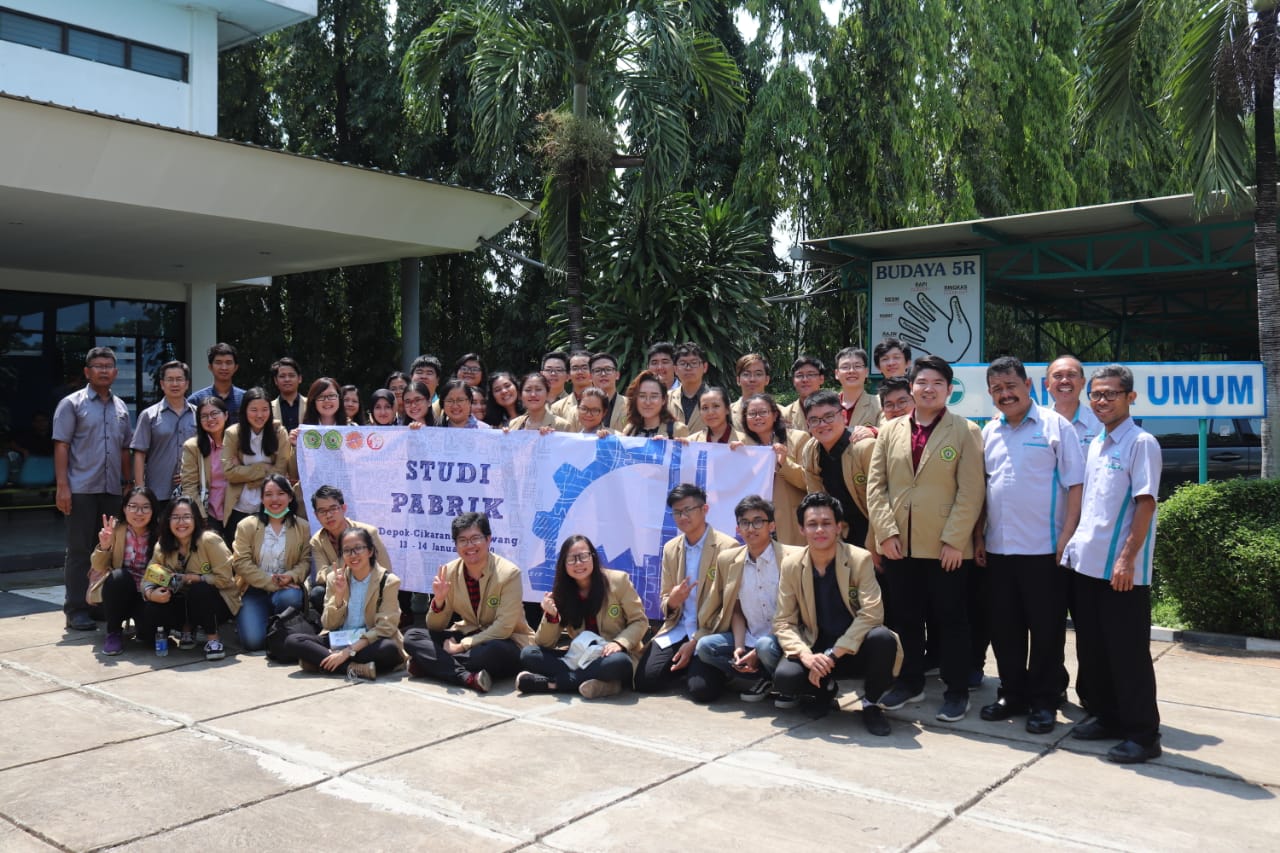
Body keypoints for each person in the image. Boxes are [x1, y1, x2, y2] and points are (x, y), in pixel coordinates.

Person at [867, 355, 984, 723]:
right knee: (905, 618)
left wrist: (955, 540)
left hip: (947, 548)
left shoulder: (965, 431)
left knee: (951, 620)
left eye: (936, 383)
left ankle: (956, 689)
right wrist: (885, 532)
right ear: (911, 387)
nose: (928, 388)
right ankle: (910, 680)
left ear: (949, 390)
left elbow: (971, 491)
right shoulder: (890, 430)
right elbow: (876, 486)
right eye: (921, 382)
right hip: (900, 545)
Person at [976, 357, 1084, 735]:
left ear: (1028, 385)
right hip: (999, 549)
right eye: (997, 390)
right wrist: (978, 538)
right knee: (1005, 627)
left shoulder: (1057, 427)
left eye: (1011, 386)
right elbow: (982, 492)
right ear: (991, 394)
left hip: (1045, 549)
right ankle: (1012, 693)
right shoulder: (989, 432)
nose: (1006, 395)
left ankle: (1044, 699)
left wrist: (1067, 538)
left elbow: (1076, 486)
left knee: (1046, 629)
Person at [1061, 364, 1162, 764]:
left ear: (1130, 398)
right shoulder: (1097, 444)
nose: (1102, 401)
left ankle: (1143, 735)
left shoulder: (1142, 443)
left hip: (1121, 573)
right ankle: (1108, 717)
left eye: (1111, 394)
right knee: (1095, 651)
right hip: (1087, 566)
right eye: (1097, 395)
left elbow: (1146, 503)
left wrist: (1126, 560)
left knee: (1128, 655)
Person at [773, 493, 902, 736]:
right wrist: (805, 655)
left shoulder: (859, 558)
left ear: (839, 527)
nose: (819, 530)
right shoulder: (791, 565)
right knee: (785, 679)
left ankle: (871, 703)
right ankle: (824, 691)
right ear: (802, 529)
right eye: (812, 524)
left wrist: (834, 654)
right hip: (817, 647)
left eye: (826, 523)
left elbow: (873, 613)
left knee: (883, 638)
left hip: (853, 647)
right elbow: (783, 621)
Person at [403, 512, 534, 692]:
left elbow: (503, 628)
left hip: (506, 640)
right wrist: (439, 602)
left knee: (492, 652)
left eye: (475, 538)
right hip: (469, 632)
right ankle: (466, 677)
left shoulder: (509, 573)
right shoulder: (449, 572)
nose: (469, 545)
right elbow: (435, 626)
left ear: (488, 540)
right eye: (462, 540)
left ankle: (430, 664)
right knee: (412, 636)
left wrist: (460, 646)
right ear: (456, 545)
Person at [54, 346, 133, 630]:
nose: (103, 370)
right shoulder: (71, 404)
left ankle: (97, 603)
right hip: (80, 488)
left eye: (108, 366)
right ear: (87, 372)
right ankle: (75, 609)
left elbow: (125, 450)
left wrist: (128, 485)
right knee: (79, 550)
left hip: (112, 489)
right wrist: (62, 486)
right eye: (97, 366)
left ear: (115, 372)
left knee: (108, 549)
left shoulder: (121, 407)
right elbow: (61, 445)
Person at [692, 495, 798, 704]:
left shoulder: (791, 558)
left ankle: (787, 683)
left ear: (772, 526)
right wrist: (739, 645)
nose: (751, 528)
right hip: (750, 637)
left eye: (758, 521)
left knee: (766, 647)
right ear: (738, 529)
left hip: (783, 638)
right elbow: (737, 609)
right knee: (705, 647)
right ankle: (763, 679)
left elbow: (796, 611)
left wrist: (759, 651)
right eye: (744, 523)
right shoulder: (728, 560)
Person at [634, 484, 738, 694]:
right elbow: (665, 600)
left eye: (688, 510)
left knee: (701, 691)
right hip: (678, 628)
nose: (683, 516)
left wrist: (696, 642)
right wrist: (673, 600)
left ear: (704, 509)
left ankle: (706, 668)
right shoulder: (672, 548)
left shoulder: (728, 548)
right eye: (677, 512)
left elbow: (726, 608)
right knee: (645, 681)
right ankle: (686, 667)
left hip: (709, 633)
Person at [517, 535, 649, 699]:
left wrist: (619, 643)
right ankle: (605, 684)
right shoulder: (562, 592)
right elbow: (544, 643)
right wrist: (551, 616)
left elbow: (640, 621)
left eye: (584, 556)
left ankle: (553, 683)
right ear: (563, 564)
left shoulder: (618, 581)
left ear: (593, 557)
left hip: (611, 656)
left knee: (619, 663)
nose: (578, 563)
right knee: (529, 654)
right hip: (581, 657)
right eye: (571, 559)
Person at [282, 527, 406, 680]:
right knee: (292, 641)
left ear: (371, 551)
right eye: (347, 550)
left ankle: (323, 662)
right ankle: (352, 669)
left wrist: (347, 652)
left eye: (358, 548)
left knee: (388, 649)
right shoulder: (335, 578)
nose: (353, 555)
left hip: (368, 642)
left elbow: (385, 628)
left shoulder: (388, 581)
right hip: (340, 638)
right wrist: (339, 596)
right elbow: (328, 623)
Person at [143, 496, 240, 661]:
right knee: (152, 610)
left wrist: (194, 578)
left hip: (217, 602)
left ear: (196, 519)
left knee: (199, 589)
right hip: (183, 602)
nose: (181, 522)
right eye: (175, 517)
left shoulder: (209, 540)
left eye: (187, 517)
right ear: (167, 521)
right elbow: (148, 577)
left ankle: (213, 640)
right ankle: (185, 628)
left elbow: (226, 579)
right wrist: (151, 593)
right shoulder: (163, 545)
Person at [231, 473, 311, 652]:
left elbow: (305, 561)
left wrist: (291, 577)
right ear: (261, 498)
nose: (275, 499)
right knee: (253, 643)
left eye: (281, 493)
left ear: (290, 497)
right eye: (268, 494)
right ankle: (257, 623)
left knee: (290, 597)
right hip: (252, 590)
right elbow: (241, 562)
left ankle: (279, 628)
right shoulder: (247, 526)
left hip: (286, 590)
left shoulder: (303, 527)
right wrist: (270, 583)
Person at [799, 389, 876, 552]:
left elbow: (881, 499)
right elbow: (817, 499)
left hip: (875, 531)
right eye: (815, 420)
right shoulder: (811, 450)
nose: (822, 424)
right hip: (841, 535)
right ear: (808, 424)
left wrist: (875, 545)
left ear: (844, 416)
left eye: (829, 417)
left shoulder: (864, 447)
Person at [90, 487, 160, 655]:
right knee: (118, 577)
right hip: (121, 591)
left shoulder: (160, 533)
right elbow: (98, 566)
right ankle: (113, 632)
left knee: (149, 637)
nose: (139, 512)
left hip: (147, 591)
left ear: (153, 510)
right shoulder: (115, 529)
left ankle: (145, 628)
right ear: (124, 508)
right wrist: (104, 547)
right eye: (133, 506)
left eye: (145, 507)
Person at [307, 485, 392, 613]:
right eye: (322, 511)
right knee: (317, 593)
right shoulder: (317, 540)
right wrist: (349, 559)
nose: (328, 515)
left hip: (368, 588)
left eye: (333, 508)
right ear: (316, 515)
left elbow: (386, 570)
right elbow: (320, 576)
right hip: (340, 590)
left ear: (344, 508)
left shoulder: (368, 533)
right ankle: (337, 627)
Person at [221, 387, 292, 536]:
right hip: (239, 505)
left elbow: (280, 471)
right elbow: (229, 472)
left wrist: (246, 475)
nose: (259, 415)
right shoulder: (233, 433)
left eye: (264, 409)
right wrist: (263, 468)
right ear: (245, 410)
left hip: (271, 505)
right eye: (254, 410)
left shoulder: (279, 432)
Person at [741, 393, 809, 547]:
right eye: (752, 414)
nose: (758, 417)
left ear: (775, 414)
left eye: (763, 412)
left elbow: (809, 481)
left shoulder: (799, 439)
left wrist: (785, 463)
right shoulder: (742, 445)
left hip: (789, 521)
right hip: (756, 523)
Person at [131, 360, 196, 517]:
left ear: (186, 384)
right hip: (157, 491)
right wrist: (140, 491)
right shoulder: (149, 416)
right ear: (162, 384)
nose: (175, 384)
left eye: (179, 379)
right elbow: (139, 454)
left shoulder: (198, 415)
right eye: (170, 379)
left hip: (191, 490)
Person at [180, 397, 232, 543]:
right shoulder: (192, 447)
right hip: (208, 513)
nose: (210, 419)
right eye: (204, 416)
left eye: (215, 413)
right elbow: (189, 486)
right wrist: (201, 519)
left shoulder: (238, 443)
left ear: (226, 415)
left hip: (237, 510)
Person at [621, 371, 687, 439]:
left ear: (663, 399)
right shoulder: (629, 429)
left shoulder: (677, 430)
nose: (647, 402)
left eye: (654, 396)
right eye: (642, 396)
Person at [187, 342, 245, 420]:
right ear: (210, 367)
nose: (224, 367)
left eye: (228, 363)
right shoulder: (196, 400)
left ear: (236, 367)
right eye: (218, 362)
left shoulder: (245, 399)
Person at [833, 346, 881, 440]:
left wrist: (873, 431)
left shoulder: (880, 403)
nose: (851, 371)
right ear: (837, 374)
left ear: (866, 372)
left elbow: (889, 430)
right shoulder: (827, 404)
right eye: (845, 367)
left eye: (857, 366)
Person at [669, 342, 709, 435]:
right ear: (675, 369)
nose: (688, 368)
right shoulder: (665, 399)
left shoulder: (718, 400)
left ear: (705, 367)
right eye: (683, 363)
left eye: (694, 363)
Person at [549, 349, 595, 426]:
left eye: (584, 367)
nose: (580, 372)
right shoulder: (557, 408)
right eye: (575, 368)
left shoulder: (607, 402)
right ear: (569, 375)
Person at [780, 355, 826, 431]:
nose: (805, 380)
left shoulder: (835, 408)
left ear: (821, 379)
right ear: (793, 381)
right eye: (799, 375)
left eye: (810, 374)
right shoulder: (785, 414)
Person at [588, 352, 630, 432]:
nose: (603, 374)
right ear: (590, 376)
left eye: (608, 369)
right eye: (597, 370)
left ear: (617, 375)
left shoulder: (631, 406)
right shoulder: (580, 409)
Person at [731, 352, 771, 431]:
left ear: (767, 380)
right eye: (746, 374)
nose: (752, 379)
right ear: (738, 380)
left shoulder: (782, 414)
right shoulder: (726, 415)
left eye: (758, 374)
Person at [269, 357, 305, 431]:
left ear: (300, 378)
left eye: (291, 375)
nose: (287, 379)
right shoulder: (268, 408)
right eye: (282, 376)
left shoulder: (311, 405)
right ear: (276, 381)